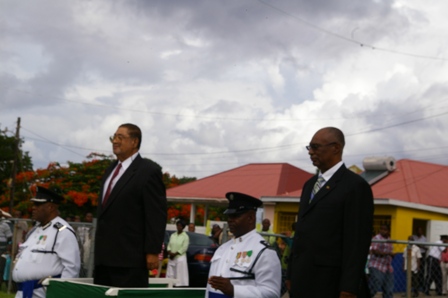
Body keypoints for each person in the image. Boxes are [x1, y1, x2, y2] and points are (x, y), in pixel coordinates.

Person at [286, 127, 374, 298]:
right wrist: (291, 273)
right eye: (309, 147)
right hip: (302, 280)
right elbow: (301, 233)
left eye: (315, 147)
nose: (310, 152)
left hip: (331, 283)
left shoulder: (355, 186)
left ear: (336, 148)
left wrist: (349, 287)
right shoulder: (309, 185)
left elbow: (357, 241)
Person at [94, 123, 167, 288]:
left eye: (121, 137)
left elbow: (156, 214)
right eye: (114, 137)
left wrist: (152, 251)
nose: (115, 141)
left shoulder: (148, 171)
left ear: (134, 142)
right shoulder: (110, 170)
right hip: (103, 260)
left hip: (130, 261)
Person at [206, 192, 281, 298]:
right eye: (229, 216)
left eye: (235, 216)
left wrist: (234, 290)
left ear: (251, 218)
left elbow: (271, 294)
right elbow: (209, 290)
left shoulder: (264, 252)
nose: (230, 220)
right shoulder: (222, 249)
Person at [12, 186, 80, 298]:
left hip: (43, 294)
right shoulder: (35, 230)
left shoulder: (62, 231)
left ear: (50, 207)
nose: (33, 208)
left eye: (37, 205)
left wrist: (58, 293)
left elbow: (72, 269)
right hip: (23, 292)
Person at [368, 225, 394, 298]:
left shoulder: (389, 240)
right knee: (375, 286)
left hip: (387, 267)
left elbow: (390, 252)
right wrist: (388, 253)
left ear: (388, 231)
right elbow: (374, 250)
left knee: (389, 289)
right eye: (381, 229)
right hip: (377, 265)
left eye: (385, 229)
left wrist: (392, 255)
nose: (382, 231)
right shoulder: (377, 238)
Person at [166, 219, 190, 286]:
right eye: (177, 225)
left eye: (180, 226)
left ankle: (179, 285)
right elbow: (169, 245)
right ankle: (170, 285)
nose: (178, 227)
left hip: (180, 257)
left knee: (179, 273)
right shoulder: (173, 235)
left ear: (183, 227)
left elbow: (184, 248)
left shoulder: (185, 236)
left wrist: (175, 254)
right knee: (170, 272)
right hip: (171, 256)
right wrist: (169, 252)